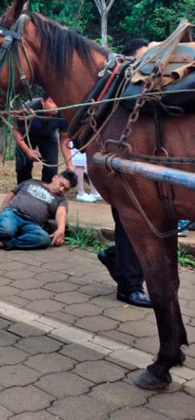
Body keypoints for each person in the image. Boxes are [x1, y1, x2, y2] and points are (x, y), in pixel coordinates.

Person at [96, 38, 153, 307]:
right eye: (142, 57)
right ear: (129, 60)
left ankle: (114, 257)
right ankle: (129, 286)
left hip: (135, 164)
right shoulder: (121, 90)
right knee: (132, 222)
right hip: (120, 164)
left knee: (135, 224)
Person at [0, 170, 77, 251]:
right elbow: (11, 194)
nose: (62, 190)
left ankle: (2, 244)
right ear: (55, 177)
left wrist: (61, 229)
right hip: (13, 213)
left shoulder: (61, 200)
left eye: (66, 189)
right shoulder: (31, 182)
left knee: (43, 239)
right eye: (61, 184)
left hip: (32, 224)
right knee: (6, 229)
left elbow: (61, 212)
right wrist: (2, 212)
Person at [13, 92, 74, 184]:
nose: (55, 106)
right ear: (43, 101)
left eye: (57, 102)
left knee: (52, 168)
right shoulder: (29, 108)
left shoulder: (63, 113)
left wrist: (69, 164)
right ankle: (23, 192)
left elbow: (64, 139)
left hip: (48, 136)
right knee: (23, 167)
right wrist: (27, 150)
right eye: (51, 102)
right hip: (27, 136)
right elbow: (15, 130)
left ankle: (46, 192)